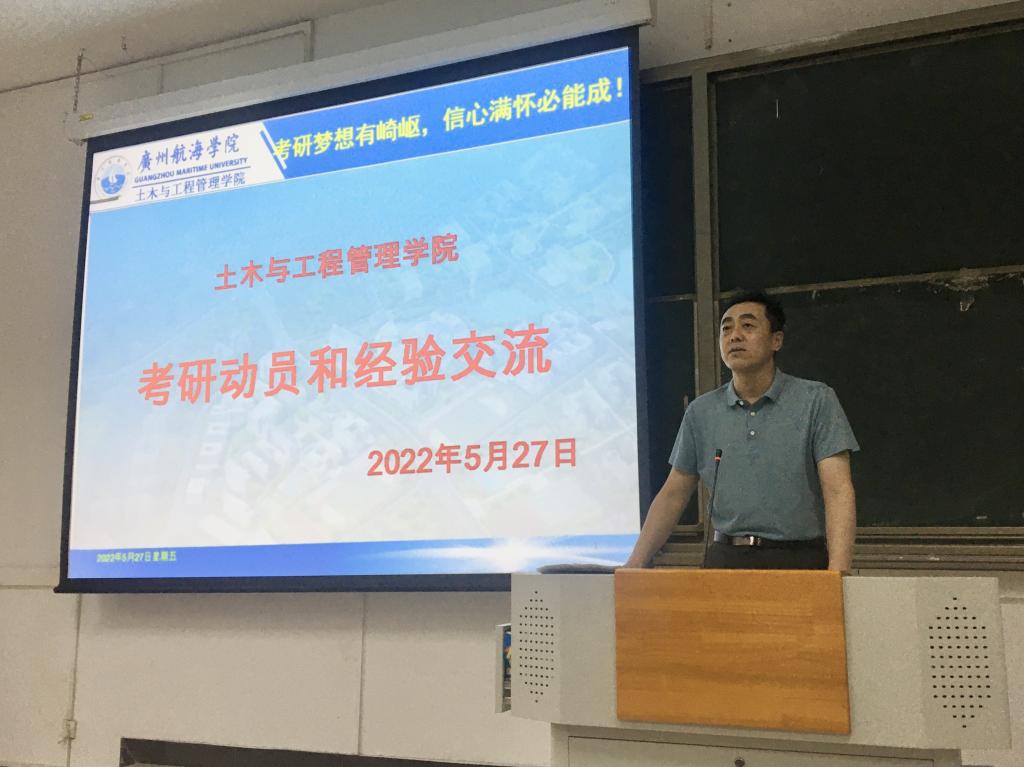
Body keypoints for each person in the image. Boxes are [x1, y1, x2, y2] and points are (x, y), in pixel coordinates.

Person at [624, 291, 859, 571]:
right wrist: (634, 564)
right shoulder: (701, 412)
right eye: (726, 329)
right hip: (726, 558)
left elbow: (837, 490)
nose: (734, 336)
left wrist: (838, 571)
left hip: (799, 558)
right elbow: (673, 493)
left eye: (748, 326)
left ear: (776, 340)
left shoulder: (815, 400)